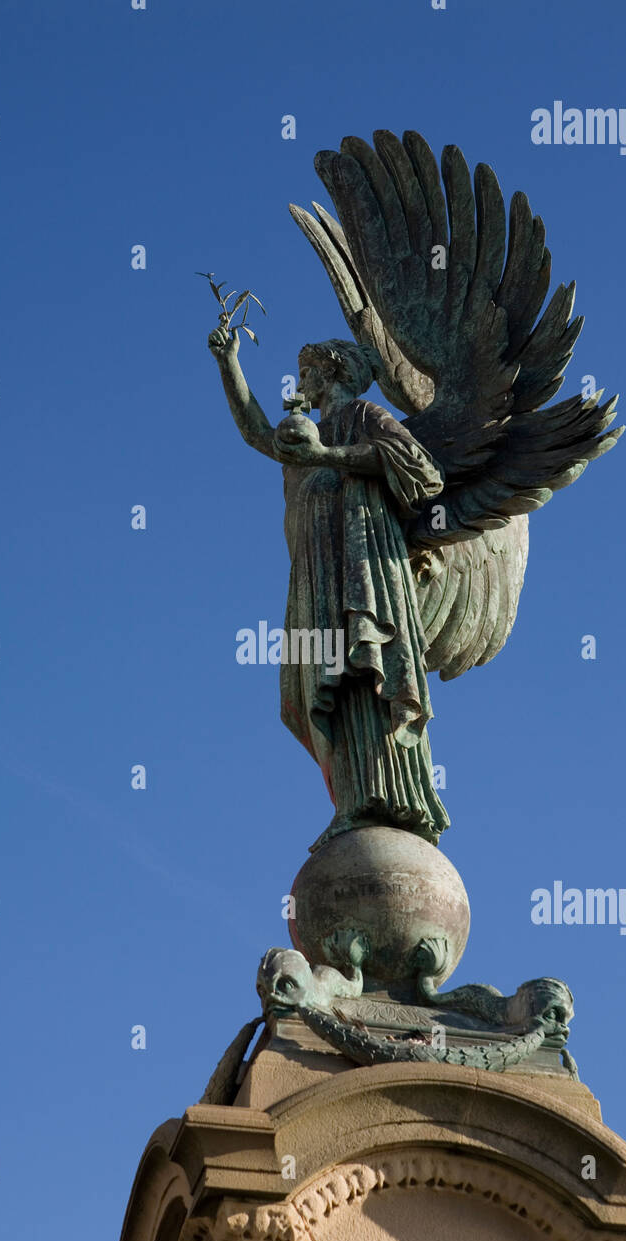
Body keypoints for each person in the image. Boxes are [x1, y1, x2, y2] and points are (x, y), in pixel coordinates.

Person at [209, 326, 448, 851]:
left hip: (361, 564)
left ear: (332, 371)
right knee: (313, 688)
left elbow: (422, 470)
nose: (300, 383)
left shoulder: (363, 417)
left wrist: (326, 457)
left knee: (365, 674)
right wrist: (229, 364)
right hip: (314, 572)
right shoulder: (302, 432)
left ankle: (388, 798)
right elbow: (255, 431)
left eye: (306, 372)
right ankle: (349, 802)